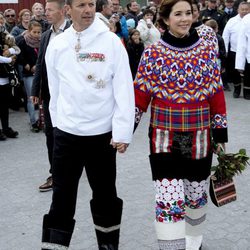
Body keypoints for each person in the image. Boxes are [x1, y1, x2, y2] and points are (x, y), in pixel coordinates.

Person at [133, 0, 228, 249]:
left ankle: (193, 243)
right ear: (165, 19)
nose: (185, 18)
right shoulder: (152, 53)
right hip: (164, 139)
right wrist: (123, 133)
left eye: (188, 13)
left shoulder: (207, 51)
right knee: (169, 200)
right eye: (178, 14)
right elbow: (140, 96)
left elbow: (217, 95)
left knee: (195, 198)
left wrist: (221, 135)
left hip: (199, 140)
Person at [41, 0, 134, 250]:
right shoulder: (58, 44)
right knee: (62, 197)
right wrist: (58, 127)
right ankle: (53, 247)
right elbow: (55, 91)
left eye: (91, 4)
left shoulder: (111, 42)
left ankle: (108, 245)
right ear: (67, 9)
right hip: (67, 136)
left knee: (105, 195)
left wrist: (122, 131)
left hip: (102, 137)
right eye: (81, 4)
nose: (88, 10)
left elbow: (124, 88)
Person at [31, 0, 71, 192]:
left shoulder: (74, 31)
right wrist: (35, 90)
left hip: (71, 96)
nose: (46, 13)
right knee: (50, 134)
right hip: (49, 95)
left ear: (63, 10)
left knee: (70, 133)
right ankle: (55, 173)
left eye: (49, 10)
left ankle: (74, 170)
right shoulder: (46, 35)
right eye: (45, 10)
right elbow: (40, 64)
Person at [17, 21, 42, 132]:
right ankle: (33, 122)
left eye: (39, 32)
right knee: (31, 98)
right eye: (34, 32)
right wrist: (28, 66)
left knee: (44, 98)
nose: (37, 34)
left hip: (41, 72)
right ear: (29, 31)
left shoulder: (42, 41)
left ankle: (43, 120)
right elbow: (19, 56)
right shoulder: (23, 41)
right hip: (29, 73)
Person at [223, 2, 250, 98]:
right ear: (238, 10)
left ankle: (247, 91)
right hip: (234, 51)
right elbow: (225, 36)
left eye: (246, 9)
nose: (244, 11)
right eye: (242, 9)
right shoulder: (232, 21)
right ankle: (237, 89)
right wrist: (225, 49)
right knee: (235, 72)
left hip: (248, 52)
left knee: (248, 72)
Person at [0, 14, 19, 140]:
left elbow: (18, 50)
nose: (0, 22)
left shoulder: (4, 35)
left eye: (1, 19)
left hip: (5, 76)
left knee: (4, 106)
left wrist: (10, 51)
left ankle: (6, 128)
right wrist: (8, 59)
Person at [235, 12, 250, 100]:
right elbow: (242, 42)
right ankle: (246, 92)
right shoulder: (247, 19)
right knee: (248, 76)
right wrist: (239, 64)